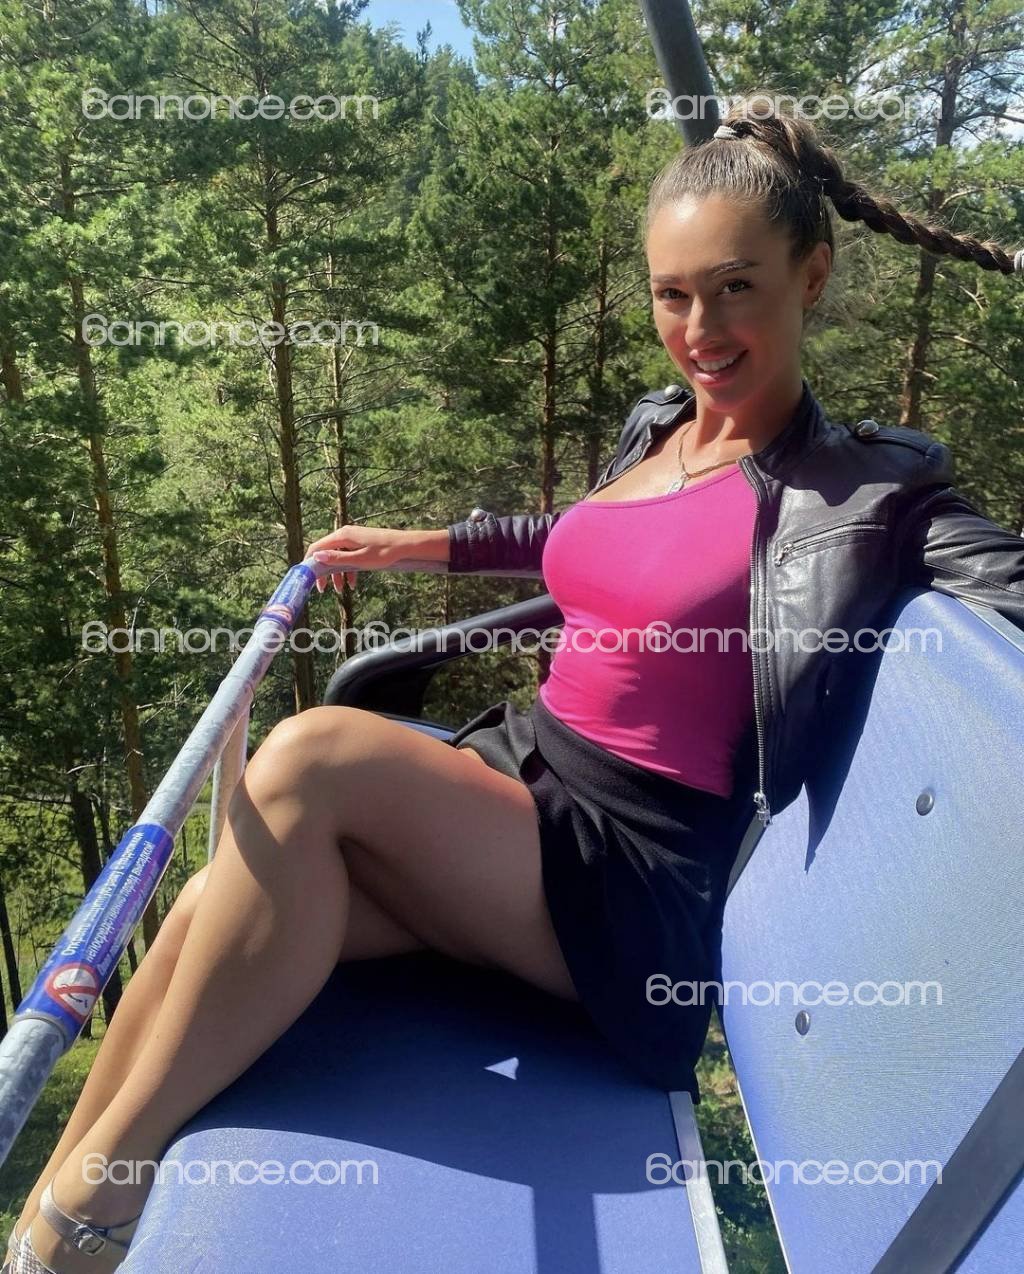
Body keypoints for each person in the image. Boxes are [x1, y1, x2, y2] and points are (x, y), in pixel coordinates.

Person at [7, 97, 1024, 1274]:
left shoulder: (863, 495)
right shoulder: (664, 431)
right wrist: (423, 545)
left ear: (812, 275)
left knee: (312, 757)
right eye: (672, 294)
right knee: (204, 906)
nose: (700, 328)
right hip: (523, 787)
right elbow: (584, 539)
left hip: (626, 876)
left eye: (735, 287)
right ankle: (44, 1217)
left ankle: (96, 1201)